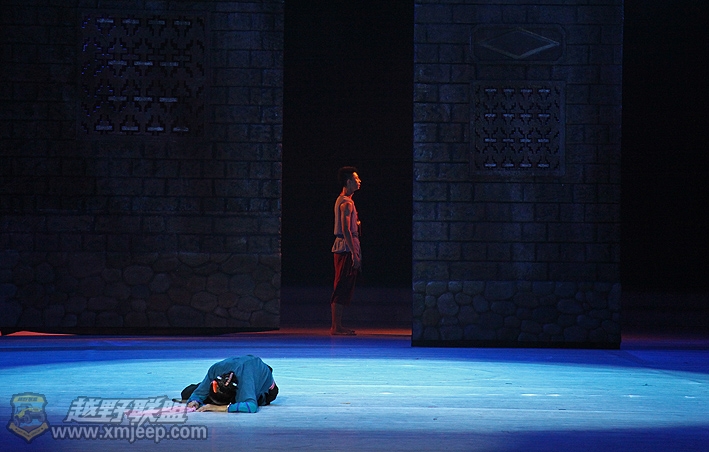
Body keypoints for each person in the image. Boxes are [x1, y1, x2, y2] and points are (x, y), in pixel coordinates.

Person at [330, 166, 362, 336]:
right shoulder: (346, 203)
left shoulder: (345, 201)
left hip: (346, 246)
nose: (359, 181)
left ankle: (338, 325)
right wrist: (353, 253)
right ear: (348, 182)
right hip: (345, 247)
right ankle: (336, 326)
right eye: (356, 179)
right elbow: (345, 229)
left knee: (344, 285)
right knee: (341, 285)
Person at [185, 355, 278, 413]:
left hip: (264, 386)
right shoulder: (215, 369)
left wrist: (218, 408)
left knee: (241, 403)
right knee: (187, 393)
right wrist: (195, 401)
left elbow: (252, 407)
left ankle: (226, 402)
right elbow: (198, 393)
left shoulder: (245, 382)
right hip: (237, 370)